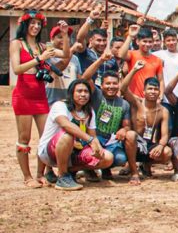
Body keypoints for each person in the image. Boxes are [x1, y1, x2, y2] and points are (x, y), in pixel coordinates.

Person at [37, 79, 114, 191]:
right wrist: (90, 140)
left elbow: (93, 135)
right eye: (79, 91)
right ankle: (62, 177)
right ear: (71, 93)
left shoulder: (89, 111)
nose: (83, 94)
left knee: (107, 157)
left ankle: (71, 171)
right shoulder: (60, 106)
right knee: (68, 135)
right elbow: (65, 124)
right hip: (49, 153)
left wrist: (98, 149)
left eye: (86, 91)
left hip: (74, 153)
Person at [10, 10, 58, 187]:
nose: (36, 27)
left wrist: (64, 36)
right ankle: (27, 177)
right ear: (25, 24)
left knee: (46, 135)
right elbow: (17, 69)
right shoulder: (17, 44)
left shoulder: (43, 46)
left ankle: (40, 173)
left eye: (38, 24)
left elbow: (65, 53)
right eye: (32, 23)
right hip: (23, 94)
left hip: (40, 95)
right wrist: (39, 59)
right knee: (24, 137)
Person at [81, 50, 138, 183]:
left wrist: (124, 130)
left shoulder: (123, 104)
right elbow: (85, 78)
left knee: (120, 159)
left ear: (119, 85)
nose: (111, 86)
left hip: (110, 141)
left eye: (114, 84)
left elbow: (127, 125)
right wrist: (101, 60)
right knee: (91, 153)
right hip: (92, 139)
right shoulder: (97, 95)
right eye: (108, 83)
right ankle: (88, 169)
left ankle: (106, 168)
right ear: (102, 85)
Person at [121, 63, 172, 179]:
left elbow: (165, 135)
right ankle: (134, 171)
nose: (153, 91)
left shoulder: (163, 111)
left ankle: (146, 164)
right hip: (132, 144)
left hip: (148, 145)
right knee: (131, 135)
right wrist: (134, 70)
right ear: (144, 91)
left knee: (167, 152)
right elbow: (123, 89)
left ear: (159, 92)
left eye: (156, 89)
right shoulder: (136, 103)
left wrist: (160, 146)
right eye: (150, 89)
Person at [118, 24, 164, 99]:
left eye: (150, 42)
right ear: (137, 41)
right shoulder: (132, 54)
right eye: (144, 41)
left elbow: (161, 80)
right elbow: (121, 55)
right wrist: (130, 36)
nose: (147, 44)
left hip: (149, 100)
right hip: (133, 98)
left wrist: (161, 96)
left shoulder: (157, 60)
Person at [75, 10, 119, 81]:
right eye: (98, 40)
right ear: (91, 41)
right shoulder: (85, 53)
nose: (102, 43)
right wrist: (90, 19)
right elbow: (80, 38)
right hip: (86, 86)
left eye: (104, 40)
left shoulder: (111, 60)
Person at [45, 24, 81, 106]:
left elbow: (79, 79)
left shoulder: (75, 58)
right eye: (60, 37)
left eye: (66, 37)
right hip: (51, 102)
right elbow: (59, 67)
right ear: (52, 39)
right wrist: (72, 50)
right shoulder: (48, 56)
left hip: (70, 103)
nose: (64, 40)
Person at [153, 29, 178, 102]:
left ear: (177, 40)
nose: (171, 43)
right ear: (164, 42)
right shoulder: (158, 55)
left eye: (173, 40)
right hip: (163, 97)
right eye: (168, 40)